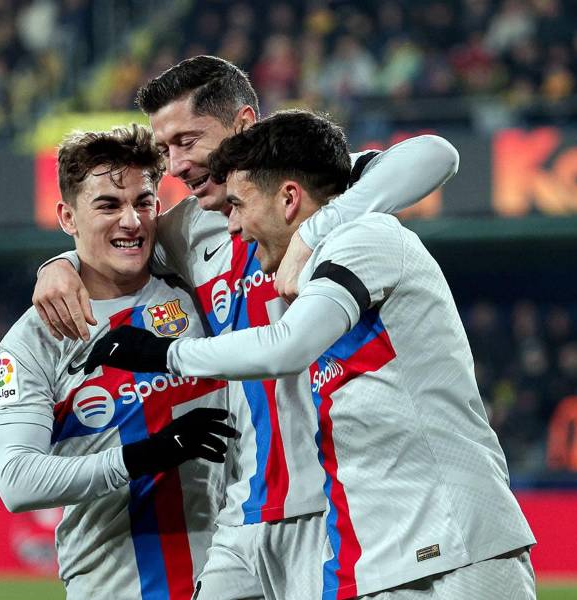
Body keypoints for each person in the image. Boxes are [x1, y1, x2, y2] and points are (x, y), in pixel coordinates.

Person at [33, 56, 460, 599]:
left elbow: (435, 154)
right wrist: (57, 266)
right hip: (244, 509)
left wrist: (318, 229)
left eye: (188, 140)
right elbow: (113, 240)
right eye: (166, 149)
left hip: (331, 502)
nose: (176, 165)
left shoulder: (309, 193)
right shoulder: (184, 231)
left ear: (242, 123)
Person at [86, 110, 537, 600]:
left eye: (239, 205)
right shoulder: (322, 263)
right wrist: (64, 265)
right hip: (376, 555)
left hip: (456, 546)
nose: (233, 226)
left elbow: (288, 345)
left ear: (289, 198)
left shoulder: (366, 239)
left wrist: (165, 353)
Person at [0, 124, 236, 600]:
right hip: (113, 585)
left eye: (143, 202)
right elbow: (18, 482)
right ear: (67, 217)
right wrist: (149, 455)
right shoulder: (32, 340)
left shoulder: (194, 282)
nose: (131, 221)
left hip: (234, 574)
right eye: (107, 205)